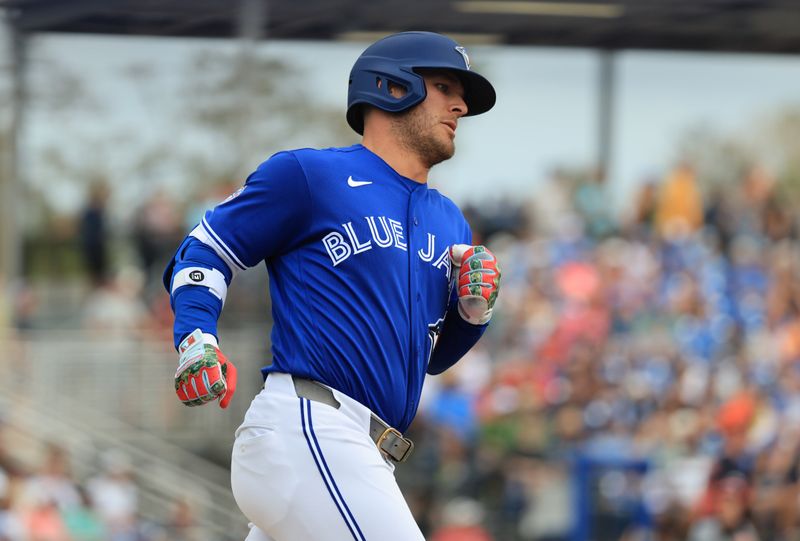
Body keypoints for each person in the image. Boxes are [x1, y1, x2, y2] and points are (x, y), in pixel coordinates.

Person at [163, 31, 502, 541]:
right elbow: (206, 248)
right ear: (392, 87)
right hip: (311, 428)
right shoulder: (309, 175)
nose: (461, 106)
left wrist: (473, 314)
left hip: (366, 454)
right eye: (445, 87)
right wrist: (195, 337)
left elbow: (430, 359)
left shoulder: (450, 221)